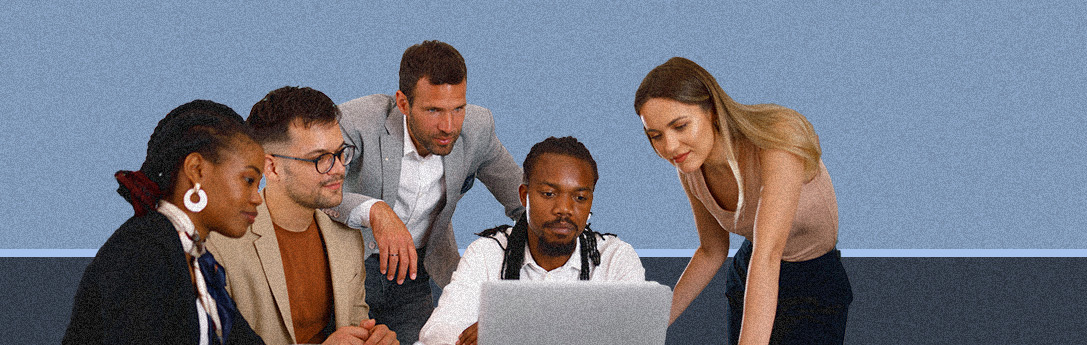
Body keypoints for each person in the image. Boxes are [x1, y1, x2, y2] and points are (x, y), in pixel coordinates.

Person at [634, 57, 851, 344]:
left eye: (681, 126)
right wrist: (648, 328)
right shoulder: (690, 169)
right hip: (750, 276)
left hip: (812, 281)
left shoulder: (777, 140)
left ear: (711, 110)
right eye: (655, 136)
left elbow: (769, 254)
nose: (669, 147)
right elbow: (711, 250)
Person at [329, 40, 524, 343]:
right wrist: (375, 211)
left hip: (418, 273)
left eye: (458, 108)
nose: (449, 126)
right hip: (349, 269)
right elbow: (314, 190)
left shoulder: (477, 127)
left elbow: (524, 199)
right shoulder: (357, 122)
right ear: (403, 102)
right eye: (433, 110)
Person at [204, 87, 398, 345]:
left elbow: (353, 326)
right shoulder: (218, 246)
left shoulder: (348, 239)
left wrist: (372, 338)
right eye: (321, 159)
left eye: (341, 153)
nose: (340, 168)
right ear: (271, 167)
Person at [65, 100, 267, 344]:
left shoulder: (197, 262)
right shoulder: (141, 252)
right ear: (196, 169)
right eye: (248, 180)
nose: (257, 198)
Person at [416, 136, 645, 345]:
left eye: (580, 197)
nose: (564, 209)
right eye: (549, 194)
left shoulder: (616, 257)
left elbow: (636, 337)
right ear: (524, 196)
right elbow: (439, 330)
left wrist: (518, 329)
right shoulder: (487, 253)